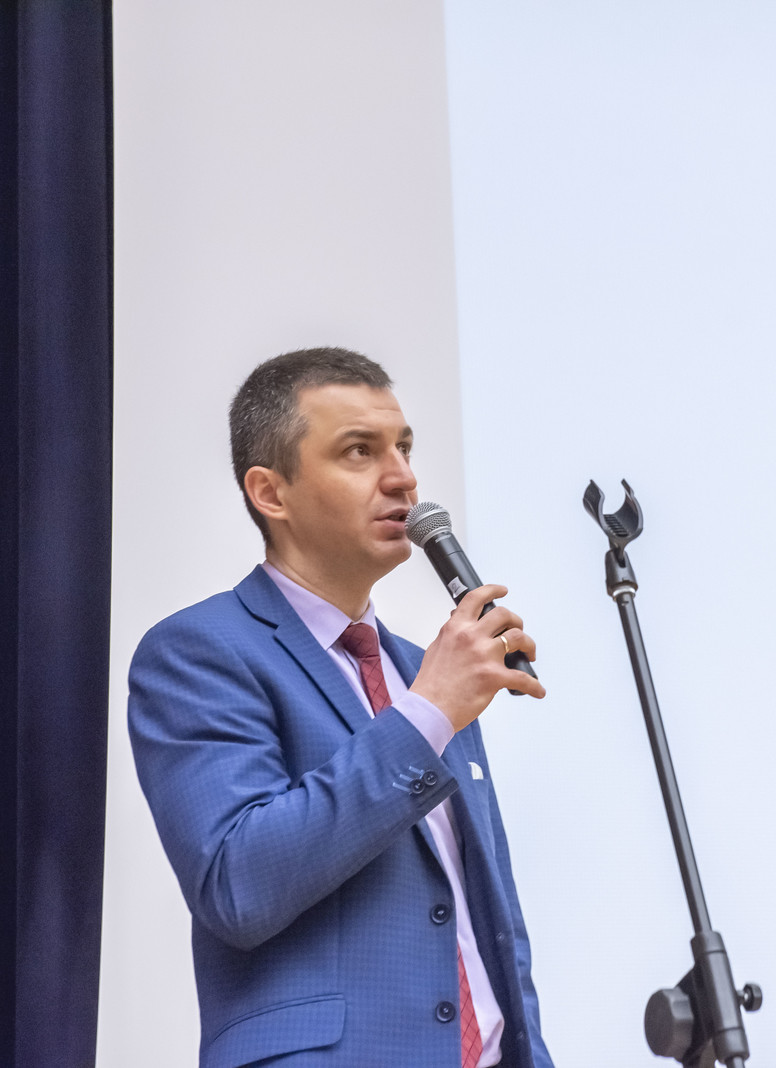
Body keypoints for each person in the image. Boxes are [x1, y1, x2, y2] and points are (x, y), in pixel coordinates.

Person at [129, 347, 552, 1068]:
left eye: (404, 448)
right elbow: (237, 884)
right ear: (271, 492)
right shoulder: (199, 651)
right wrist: (426, 714)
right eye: (360, 451)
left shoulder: (423, 669)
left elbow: (486, 927)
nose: (404, 477)